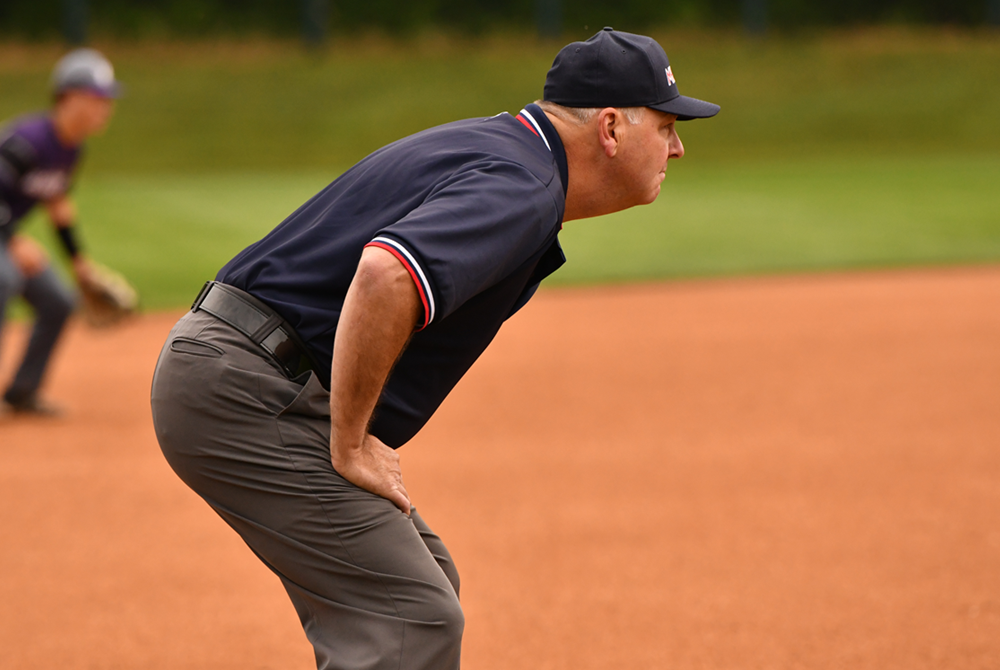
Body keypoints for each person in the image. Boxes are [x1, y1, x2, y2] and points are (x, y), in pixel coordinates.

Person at [151, 28, 718, 670]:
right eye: (668, 125)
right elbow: (387, 273)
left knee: (425, 584)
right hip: (248, 389)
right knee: (409, 617)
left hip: (249, 372)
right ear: (611, 129)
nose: (676, 147)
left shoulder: (504, 150)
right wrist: (349, 441)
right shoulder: (524, 184)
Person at [0, 48, 119, 416]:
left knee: (58, 300)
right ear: (68, 97)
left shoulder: (71, 148)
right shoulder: (27, 140)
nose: (106, 108)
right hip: (5, 233)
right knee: (4, 279)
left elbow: (57, 204)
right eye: (97, 98)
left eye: (108, 100)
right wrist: (15, 239)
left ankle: (22, 393)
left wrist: (78, 261)